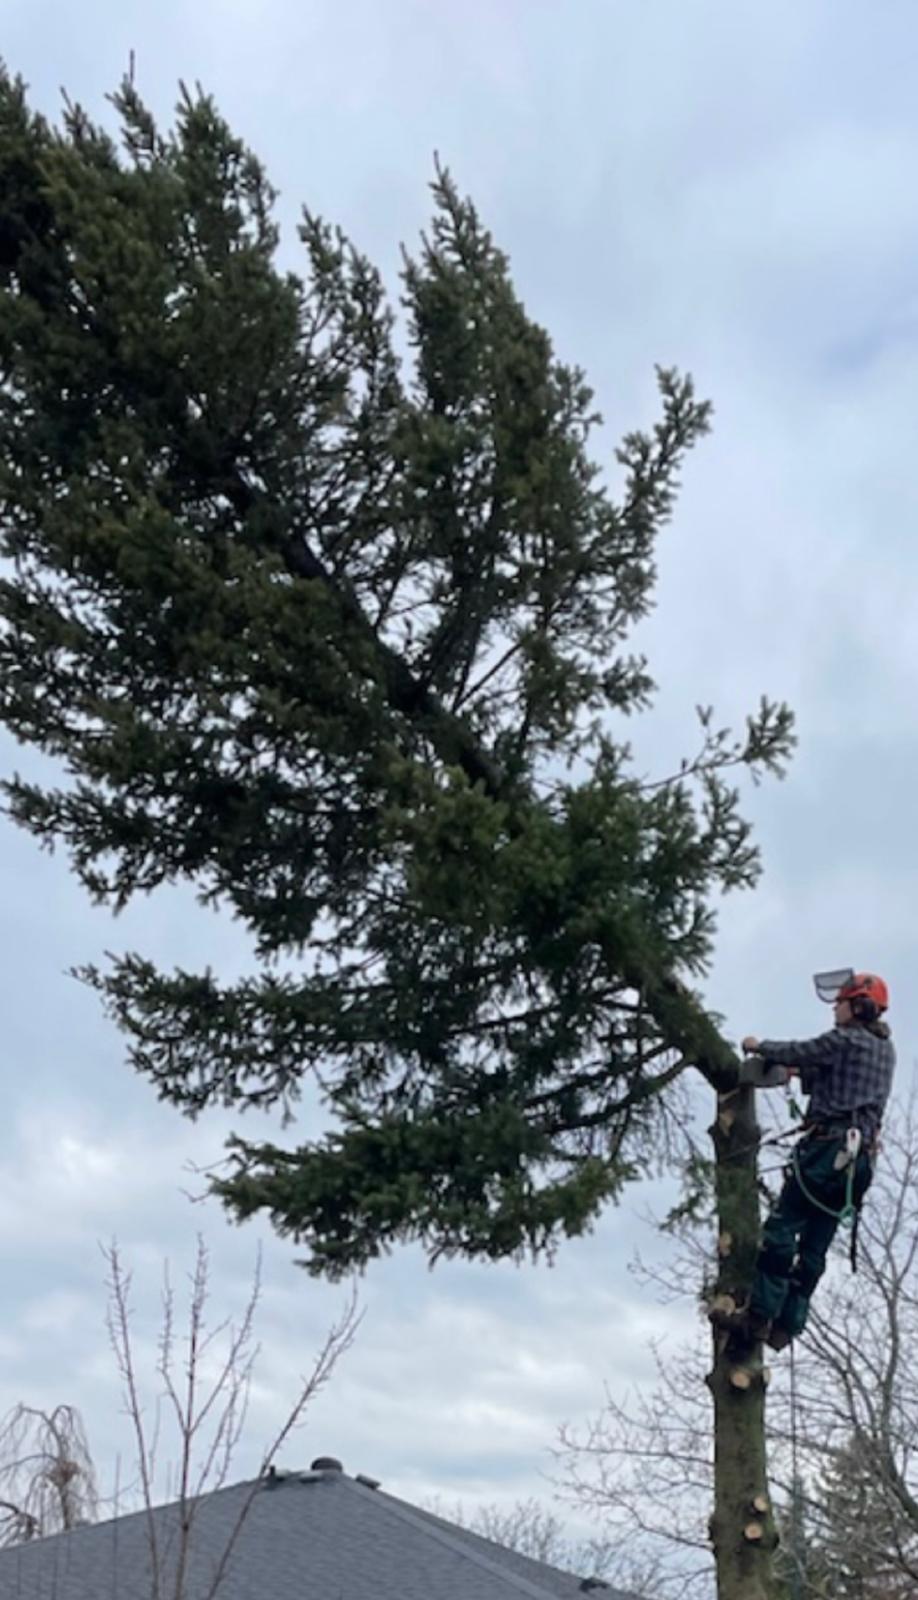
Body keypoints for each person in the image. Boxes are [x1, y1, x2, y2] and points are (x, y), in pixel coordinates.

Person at [713, 971, 895, 1354]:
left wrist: (760, 1046)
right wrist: (798, 1075)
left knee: (782, 1229)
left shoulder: (844, 1039)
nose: (835, 1009)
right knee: (815, 1244)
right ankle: (787, 1326)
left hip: (827, 1149)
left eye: (841, 1003)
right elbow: (830, 1074)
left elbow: (803, 1051)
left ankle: (759, 1316)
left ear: (858, 1006)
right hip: (858, 1163)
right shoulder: (883, 1050)